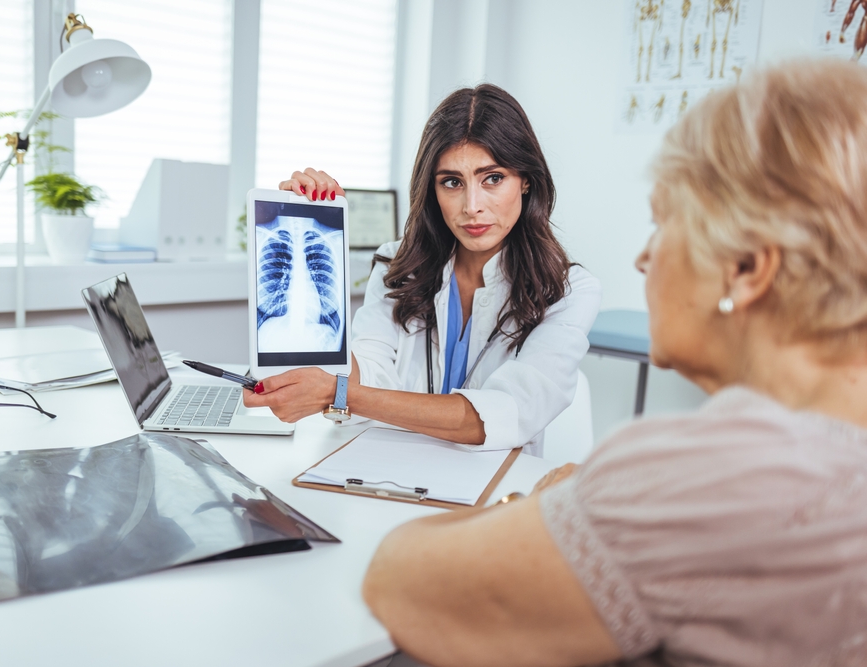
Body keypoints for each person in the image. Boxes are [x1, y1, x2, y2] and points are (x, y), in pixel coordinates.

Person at [361, 59, 867, 667]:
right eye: (452, 182)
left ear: (747, 269)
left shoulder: (694, 482)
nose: (644, 258)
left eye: (663, 223)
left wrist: (552, 512)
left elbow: (397, 580)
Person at [244, 85, 601, 454]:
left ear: (526, 179)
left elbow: (506, 414)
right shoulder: (399, 265)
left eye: (493, 178)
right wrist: (321, 242)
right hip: (390, 467)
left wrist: (341, 393)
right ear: (432, 190)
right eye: (452, 182)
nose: (472, 206)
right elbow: (369, 370)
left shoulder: (569, 291)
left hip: (497, 480)